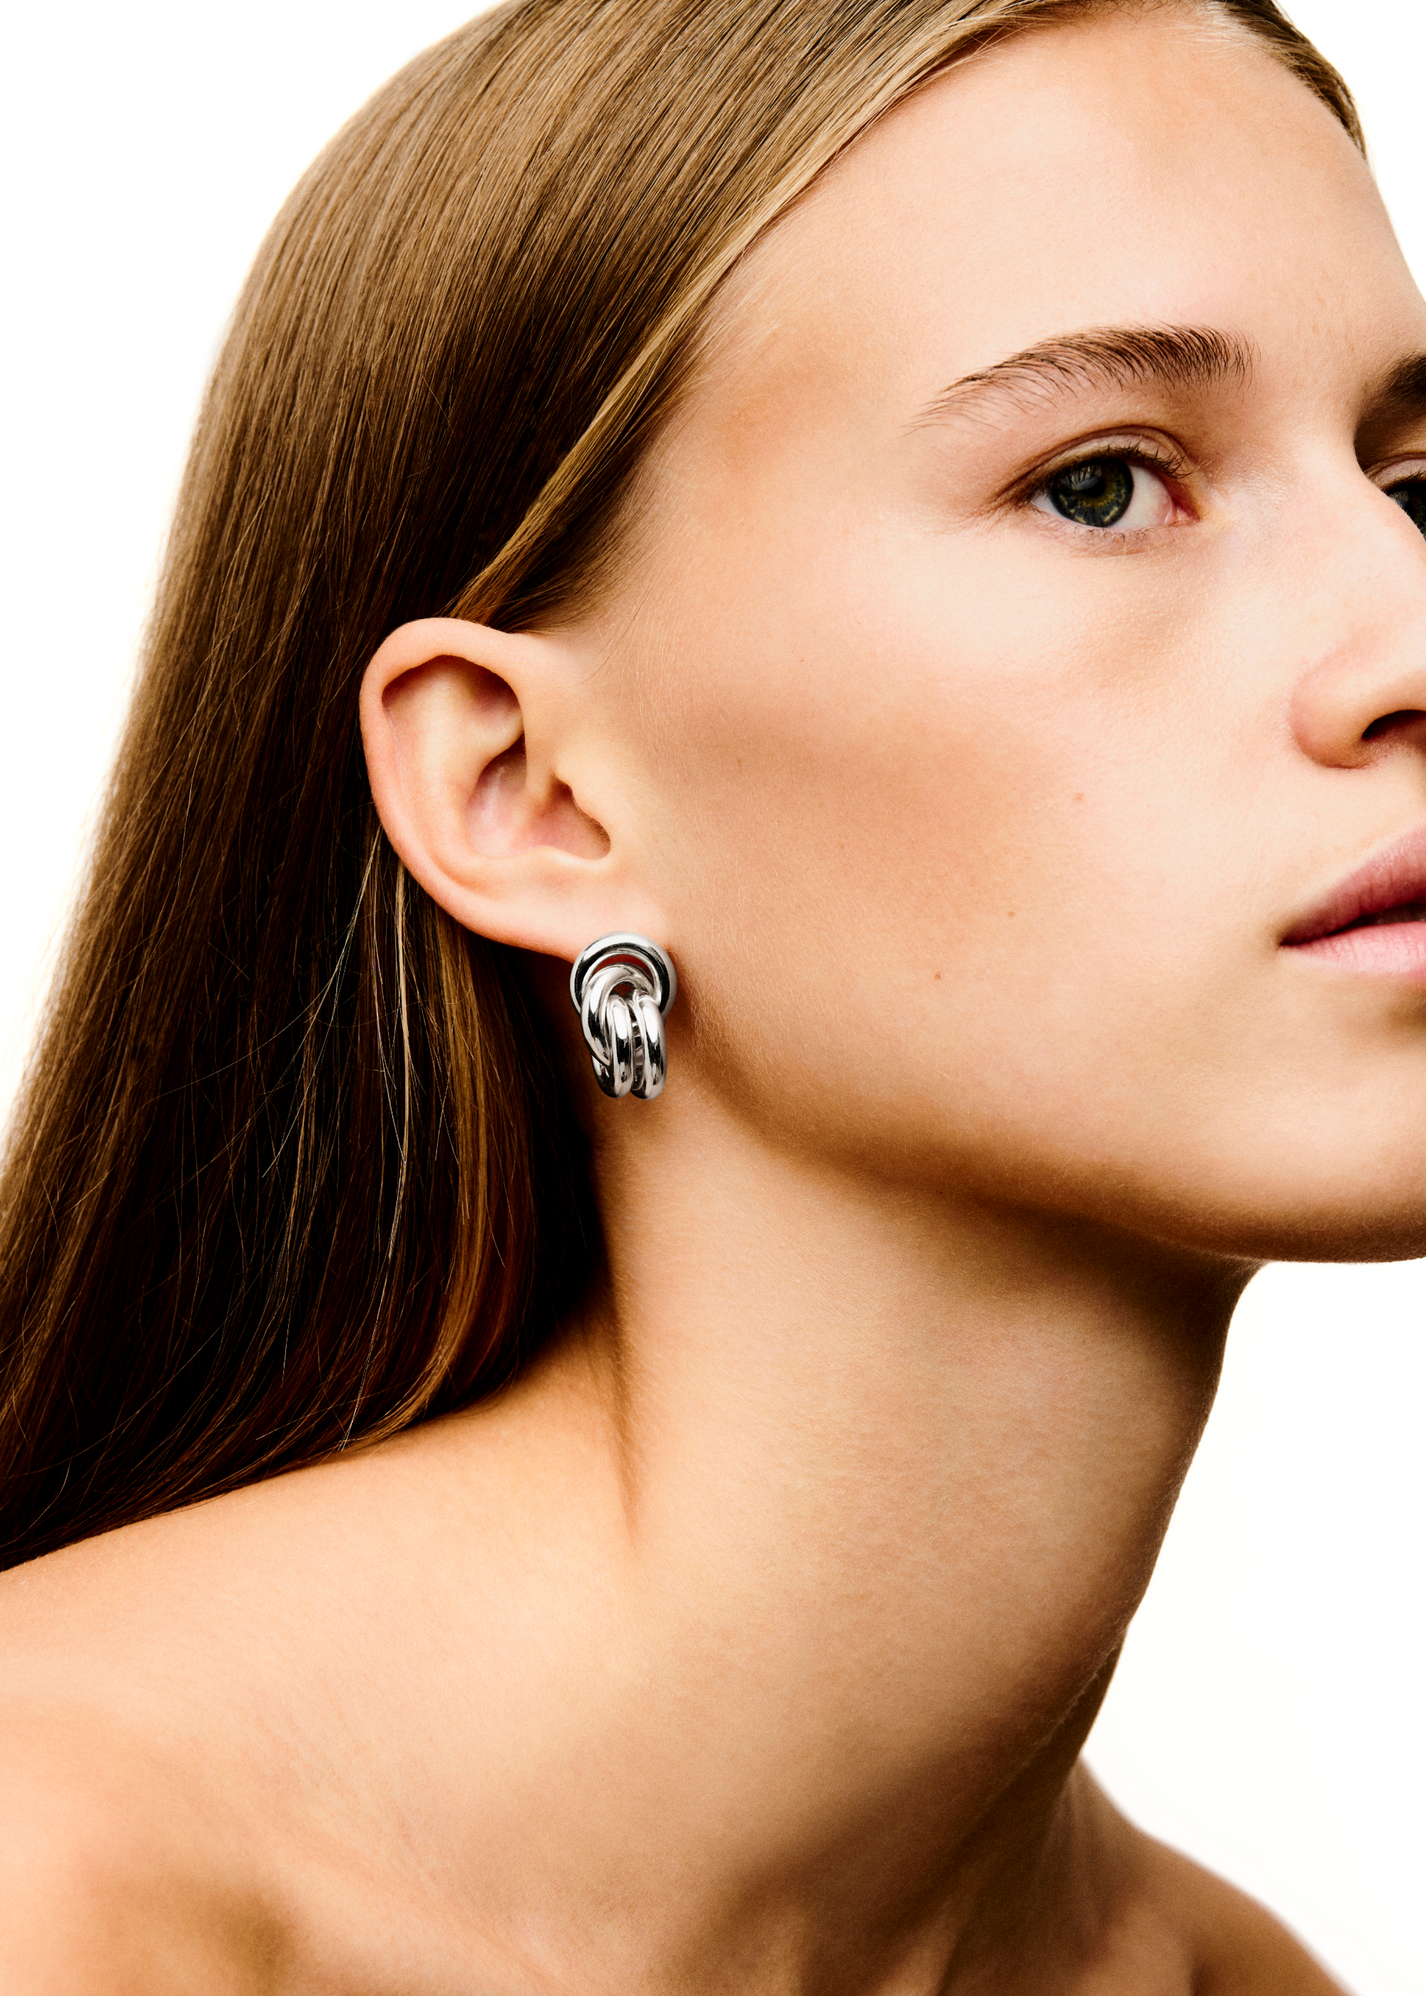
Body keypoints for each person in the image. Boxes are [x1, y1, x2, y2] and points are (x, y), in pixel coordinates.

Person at [0, 0, 1417, 1984]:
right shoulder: (57, 1891)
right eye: (1100, 483)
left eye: (1404, 478)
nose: (1402, 633)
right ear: (534, 796)